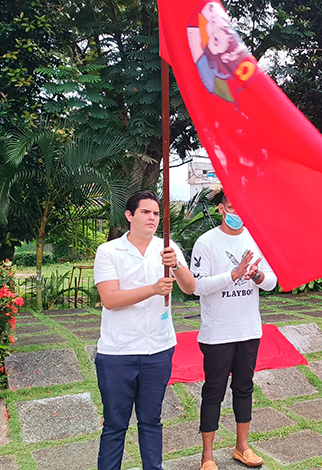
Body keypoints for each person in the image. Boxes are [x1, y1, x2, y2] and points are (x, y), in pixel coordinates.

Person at [93, 190, 196, 470]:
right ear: (129, 216)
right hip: (118, 352)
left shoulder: (167, 248)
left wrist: (175, 264)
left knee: (151, 420)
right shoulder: (109, 251)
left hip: (158, 350)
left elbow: (190, 287)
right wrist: (152, 289)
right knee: (115, 424)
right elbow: (110, 299)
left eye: (156, 213)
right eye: (145, 212)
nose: (152, 218)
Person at [190, 193, 277, 470]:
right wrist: (234, 274)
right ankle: (207, 456)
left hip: (248, 329)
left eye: (242, 207)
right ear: (221, 209)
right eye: (231, 207)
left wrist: (257, 276)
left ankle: (242, 447)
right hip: (217, 332)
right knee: (213, 391)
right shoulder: (206, 242)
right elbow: (197, 286)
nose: (237, 213)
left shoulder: (256, 238)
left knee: (244, 388)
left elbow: (272, 281)